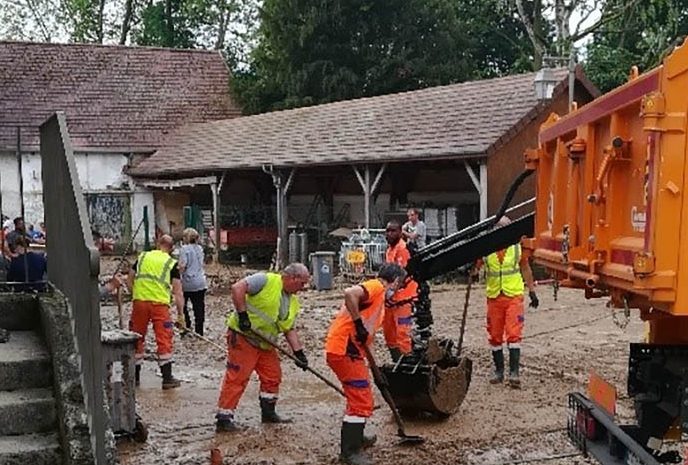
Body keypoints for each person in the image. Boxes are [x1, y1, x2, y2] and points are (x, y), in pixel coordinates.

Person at [326, 263, 406, 465]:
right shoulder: (377, 287)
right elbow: (349, 293)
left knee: (359, 394)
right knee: (360, 399)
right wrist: (358, 324)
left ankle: (357, 436)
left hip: (349, 351)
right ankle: (350, 451)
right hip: (345, 351)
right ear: (395, 281)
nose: (398, 290)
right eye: (399, 285)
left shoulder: (379, 299)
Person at [215, 263, 311, 432]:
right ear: (292, 278)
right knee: (238, 377)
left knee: (272, 376)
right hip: (244, 337)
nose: (303, 288)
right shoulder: (265, 280)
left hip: (265, 343)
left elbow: (289, 329)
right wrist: (243, 315)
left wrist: (299, 353)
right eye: (302, 283)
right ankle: (224, 417)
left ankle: (268, 413)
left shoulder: (292, 302)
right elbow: (237, 288)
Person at [477, 216, 539, 388]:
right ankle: (498, 371)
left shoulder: (517, 247)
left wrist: (532, 291)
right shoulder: (486, 249)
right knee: (495, 335)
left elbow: (525, 268)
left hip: (513, 295)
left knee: (514, 334)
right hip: (494, 296)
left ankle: (514, 373)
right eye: (498, 228)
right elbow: (476, 268)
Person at [126, 235, 185, 390]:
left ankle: (135, 378)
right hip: (160, 305)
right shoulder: (171, 263)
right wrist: (181, 316)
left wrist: (136, 295)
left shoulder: (143, 257)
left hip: (140, 303)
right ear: (171, 249)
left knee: (136, 338)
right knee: (164, 339)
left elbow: (129, 280)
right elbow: (178, 293)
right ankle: (167, 379)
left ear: (158, 244)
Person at [382, 221, 416, 360]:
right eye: (388, 231)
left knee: (402, 333)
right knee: (389, 333)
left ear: (400, 232)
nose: (390, 234)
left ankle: (406, 362)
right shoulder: (390, 249)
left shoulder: (402, 249)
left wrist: (391, 291)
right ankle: (397, 360)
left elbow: (402, 274)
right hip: (391, 300)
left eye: (393, 231)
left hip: (403, 299)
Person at [179, 228, 208, 336]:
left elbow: (183, 265)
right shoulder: (200, 249)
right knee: (199, 306)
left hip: (188, 282)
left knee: (182, 305)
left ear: (186, 238)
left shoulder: (184, 249)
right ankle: (199, 330)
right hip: (201, 281)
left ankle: (187, 326)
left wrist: (176, 274)